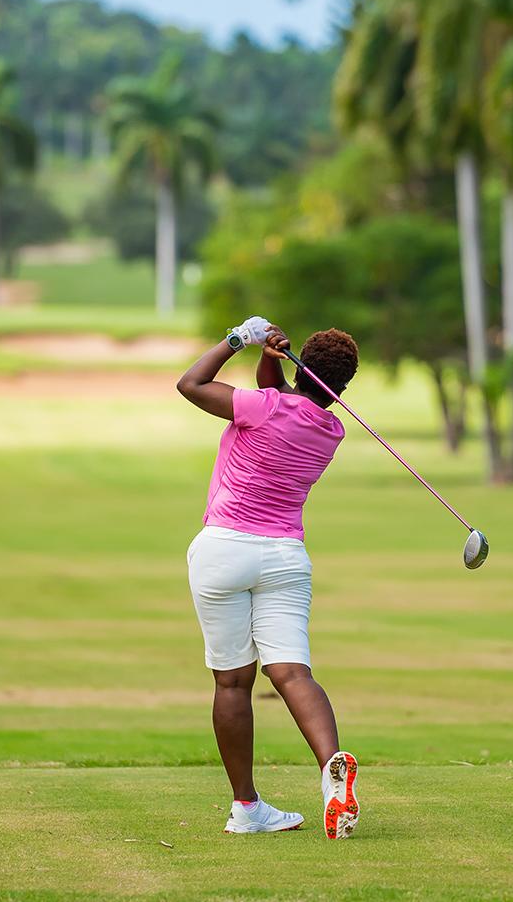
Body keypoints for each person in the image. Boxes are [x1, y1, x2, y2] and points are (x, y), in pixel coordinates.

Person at [175, 319, 362, 840]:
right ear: (341, 387)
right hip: (284, 558)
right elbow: (276, 397)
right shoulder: (331, 429)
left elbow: (190, 385)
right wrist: (271, 360)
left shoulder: (266, 408)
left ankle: (247, 807)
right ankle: (331, 772)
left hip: (224, 551)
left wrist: (239, 340)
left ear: (302, 367)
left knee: (233, 681)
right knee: (292, 673)